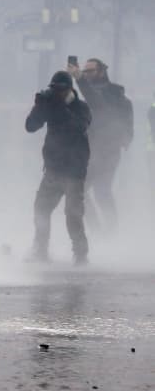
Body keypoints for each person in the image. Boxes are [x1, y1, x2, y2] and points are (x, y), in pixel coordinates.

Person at [25, 71, 92, 264]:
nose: (57, 93)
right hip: (53, 170)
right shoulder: (51, 105)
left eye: (61, 90)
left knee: (73, 214)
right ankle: (40, 249)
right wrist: (39, 108)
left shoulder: (81, 107)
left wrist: (58, 106)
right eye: (54, 89)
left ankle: (80, 253)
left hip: (75, 172)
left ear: (70, 88)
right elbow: (30, 126)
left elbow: (78, 127)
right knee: (41, 209)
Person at [68, 58, 133, 232]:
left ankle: (104, 231)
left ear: (102, 72)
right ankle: (105, 231)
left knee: (88, 191)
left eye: (90, 71)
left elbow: (96, 100)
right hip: (96, 151)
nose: (87, 74)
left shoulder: (108, 93)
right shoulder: (106, 94)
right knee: (95, 191)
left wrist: (79, 78)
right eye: (85, 71)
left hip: (106, 152)